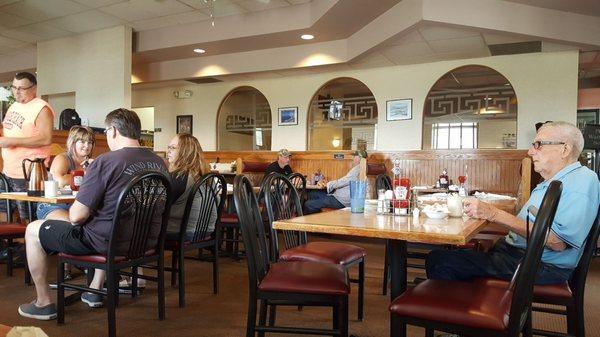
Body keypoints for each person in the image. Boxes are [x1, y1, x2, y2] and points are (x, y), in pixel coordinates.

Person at [18, 108, 168, 320]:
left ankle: (43, 303)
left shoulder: (107, 161)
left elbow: (76, 216)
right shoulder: (160, 163)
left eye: (106, 132)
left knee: (33, 229)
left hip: (105, 243)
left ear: (113, 131)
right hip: (146, 243)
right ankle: (94, 290)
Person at [426, 121, 600, 285]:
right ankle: (477, 307)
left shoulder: (581, 181)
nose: (530, 151)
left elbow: (557, 243)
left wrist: (493, 213)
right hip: (523, 256)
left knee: (440, 260)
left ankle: (468, 313)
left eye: (538, 144)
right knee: (459, 254)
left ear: (565, 149)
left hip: (541, 265)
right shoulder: (556, 180)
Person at [0, 72, 54, 221]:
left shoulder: (42, 108)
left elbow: (46, 139)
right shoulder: (14, 106)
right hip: (7, 171)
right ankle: (8, 244)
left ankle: (29, 244)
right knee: (4, 213)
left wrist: (11, 142)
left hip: (28, 174)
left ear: (34, 88)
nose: (17, 92)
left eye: (22, 88)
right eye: (14, 87)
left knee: (28, 217)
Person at [36, 125, 95, 221]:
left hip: (79, 207)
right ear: (73, 142)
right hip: (54, 206)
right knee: (72, 226)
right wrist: (86, 173)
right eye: (82, 142)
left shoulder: (92, 162)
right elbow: (60, 181)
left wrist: (96, 169)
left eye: (90, 142)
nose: (87, 146)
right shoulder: (63, 158)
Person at [165, 133, 216, 240]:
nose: (168, 151)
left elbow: (161, 205)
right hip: (208, 229)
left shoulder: (180, 176)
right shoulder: (207, 175)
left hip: (183, 232)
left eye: (173, 148)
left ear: (185, 152)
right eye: (168, 147)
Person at [304, 150, 367, 214]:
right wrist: (329, 184)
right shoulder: (361, 168)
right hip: (340, 198)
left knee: (308, 204)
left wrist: (327, 184)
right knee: (312, 194)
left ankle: (309, 221)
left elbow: (343, 181)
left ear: (359, 158)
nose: (353, 159)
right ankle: (318, 218)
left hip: (341, 201)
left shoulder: (357, 170)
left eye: (354, 157)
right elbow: (344, 181)